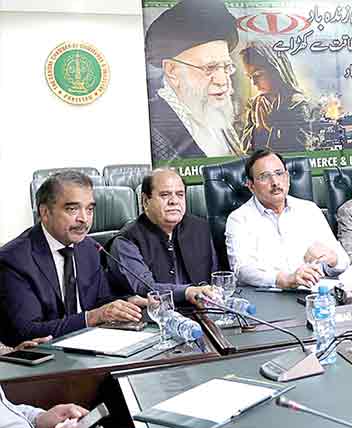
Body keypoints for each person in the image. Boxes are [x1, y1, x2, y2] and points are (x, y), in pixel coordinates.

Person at [0, 172, 142, 346]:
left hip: (91, 346)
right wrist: (91, 317)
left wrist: (127, 303)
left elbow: (101, 301)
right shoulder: (14, 260)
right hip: (45, 355)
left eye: (89, 209)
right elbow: (27, 331)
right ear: (45, 212)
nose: (84, 219)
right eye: (72, 209)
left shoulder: (89, 247)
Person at [226, 148, 349, 289]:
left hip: (313, 293)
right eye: (264, 176)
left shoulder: (309, 210)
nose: (275, 182)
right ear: (251, 186)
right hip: (267, 296)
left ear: (288, 178)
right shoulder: (239, 219)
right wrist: (284, 279)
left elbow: (344, 261)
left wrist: (333, 259)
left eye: (279, 173)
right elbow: (242, 269)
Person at [145, 0, 247, 161]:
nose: (222, 81)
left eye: (226, 67)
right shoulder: (154, 129)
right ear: (172, 71)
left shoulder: (219, 118)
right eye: (210, 67)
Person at [107, 169, 217, 305]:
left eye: (180, 194)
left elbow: (216, 276)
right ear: (145, 201)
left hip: (204, 308)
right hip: (156, 313)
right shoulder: (126, 240)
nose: (174, 201)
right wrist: (187, 292)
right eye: (165, 195)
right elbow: (144, 287)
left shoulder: (201, 228)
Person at [240, 41, 316, 153]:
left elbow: (301, 147)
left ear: (276, 70)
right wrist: (258, 129)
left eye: (258, 74)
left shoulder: (297, 104)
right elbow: (245, 148)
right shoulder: (255, 104)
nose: (254, 83)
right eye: (250, 77)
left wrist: (270, 128)